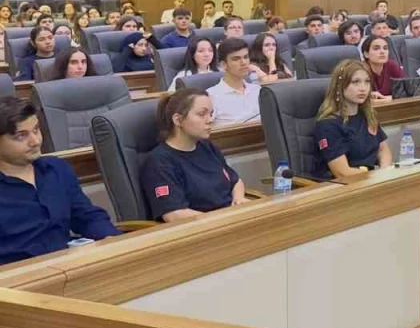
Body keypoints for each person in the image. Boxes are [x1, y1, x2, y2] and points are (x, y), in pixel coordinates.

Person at [0, 97, 119, 264]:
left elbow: (86, 216)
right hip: (18, 275)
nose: (35, 141)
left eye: (36, 130)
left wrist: (110, 239)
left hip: (68, 265)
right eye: (21, 136)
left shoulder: (56, 169)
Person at [140, 88, 247, 223]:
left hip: (230, 219)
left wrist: (239, 199)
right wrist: (221, 219)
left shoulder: (207, 146)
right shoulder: (160, 162)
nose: (210, 120)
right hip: (202, 227)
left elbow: (235, 181)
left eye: (211, 114)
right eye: (202, 114)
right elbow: (174, 214)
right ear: (178, 120)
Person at [314, 60, 391, 178]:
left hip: (370, 179)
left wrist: (385, 171)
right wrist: (376, 177)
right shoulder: (328, 125)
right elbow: (342, 172)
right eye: (355, 82)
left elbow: (382, 149)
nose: (363, 88)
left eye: (367, 82)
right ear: (339, 86)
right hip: (344, 185)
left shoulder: (367, 115)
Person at [207, 38, 260, 126]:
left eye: (246, 57)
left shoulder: (258, 90)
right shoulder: (211, 96)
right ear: (223, 64)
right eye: (236, 59)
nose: (243, 62)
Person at [360, 35, 403, 101]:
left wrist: (384, 98)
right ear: (366, 54)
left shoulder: (392, 66)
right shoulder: (360, 70)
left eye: (385, 48)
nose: (382, 52)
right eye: (376, 48)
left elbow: (404, 92)